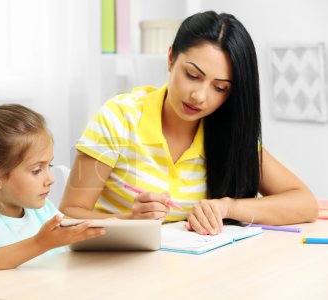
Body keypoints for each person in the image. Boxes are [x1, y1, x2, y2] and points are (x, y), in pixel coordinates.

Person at [60, 11, 318, 236]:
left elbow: (304, 204)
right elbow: (70, 215)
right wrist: (129, 221)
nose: (200, 96)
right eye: (192, 75)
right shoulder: (117, 119)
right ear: (171, 57)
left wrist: (226, 206)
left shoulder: (228, 132)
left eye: (220, 88)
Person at [0, 104, 105, 280]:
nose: (50, 179)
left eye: (49, 165)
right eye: (37, 170)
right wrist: (40, 243)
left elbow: (80, 231)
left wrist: (128, 220)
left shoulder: (43, 211)